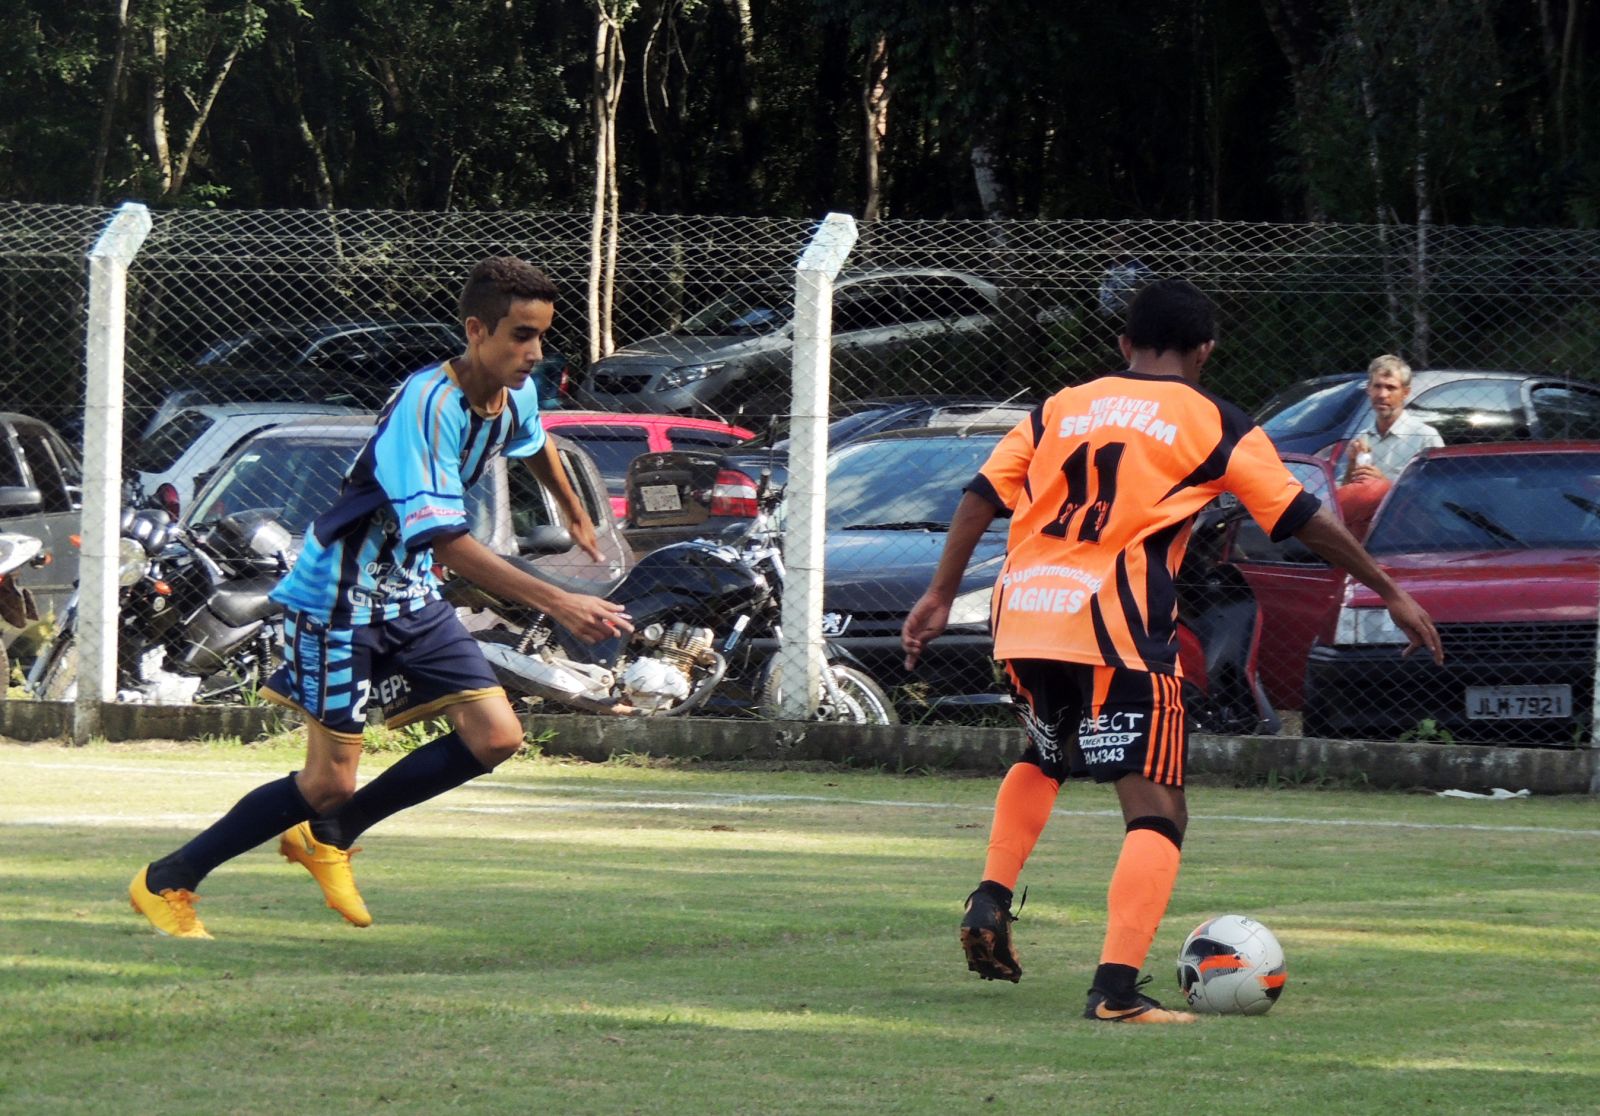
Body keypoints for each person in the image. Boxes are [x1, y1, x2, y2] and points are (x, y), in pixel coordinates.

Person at [901, 279, 1442, 1023]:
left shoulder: (1060, 406)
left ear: (1123, 344)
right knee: (1158, 810)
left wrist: (937, 595)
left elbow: (978, 496)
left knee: (1046, 754)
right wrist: (1388, 588)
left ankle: (990, 897)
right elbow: (1300, 516)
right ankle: (1116, 993)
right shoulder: (1215, 421)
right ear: (1206, 352)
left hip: (1026, 612)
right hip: (1115, 625)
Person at [129, 256, 633, 939]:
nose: (533, 353)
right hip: (338, 601)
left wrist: (570, 505)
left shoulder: (514, 393)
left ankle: (326, 836)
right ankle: (167, 880)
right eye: (520, 336)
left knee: (497, 735)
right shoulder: (426, 407)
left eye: (542, 336)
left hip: (410, 598)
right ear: (476, 330)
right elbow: (448, 540)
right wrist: (558, 600)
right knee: (327, 779)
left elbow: (534, 437)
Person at [1335, 354, 1444, 538]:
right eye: (1377, 386)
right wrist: (1352, 467)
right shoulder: (1362, 438)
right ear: (1368, 389)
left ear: (1405, 393)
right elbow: (1341, 498)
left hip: (1409, 532)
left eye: (1391, 387)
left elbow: (1437, 496)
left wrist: (1385, 484)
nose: (1382, 395)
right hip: (1365, 533)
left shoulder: (1425, 437)